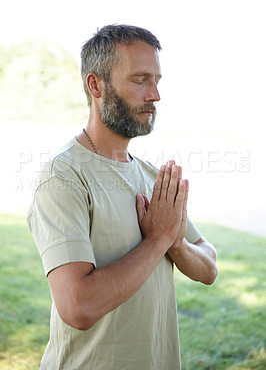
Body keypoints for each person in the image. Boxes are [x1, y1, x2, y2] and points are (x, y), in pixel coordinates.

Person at [27, 24, 218, 370]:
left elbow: (209, 267)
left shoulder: (152, 176)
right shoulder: (63, 176)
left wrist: (176, 244)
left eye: (157, 80)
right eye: (140, 79)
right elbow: (78, 307)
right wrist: (157, 241)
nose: (155, 95)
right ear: (96, 84)